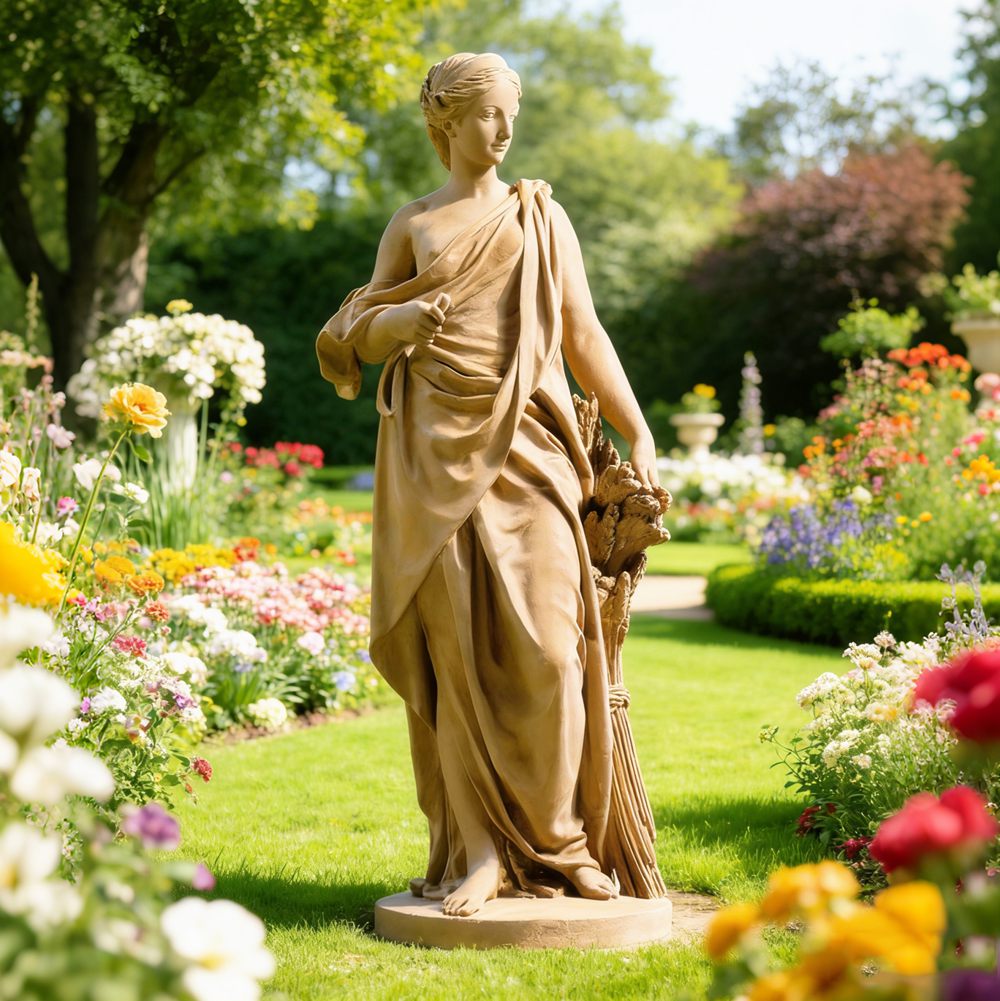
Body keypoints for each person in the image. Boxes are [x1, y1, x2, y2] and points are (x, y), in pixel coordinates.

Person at [316, 52, 660, 918]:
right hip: (431, 459)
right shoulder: (417, 225)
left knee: (551, 649)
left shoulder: (540, 216)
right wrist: (391, 321)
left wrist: (638, 425)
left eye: (511, 113)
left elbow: (582, 329)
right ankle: (478, 852)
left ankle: (562, 841)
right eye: (487, 115)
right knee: (455, 661)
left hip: (531, 446)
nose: (504, 131)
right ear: (446, 123)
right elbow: (350, 332)